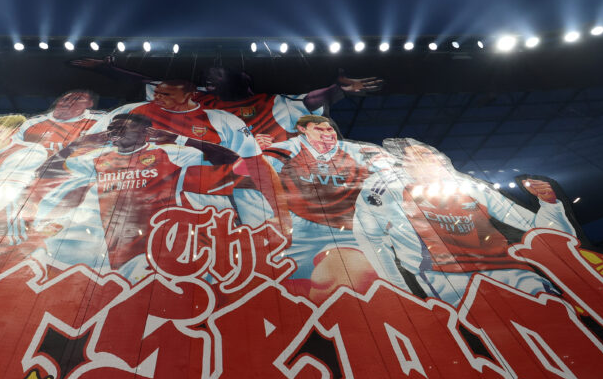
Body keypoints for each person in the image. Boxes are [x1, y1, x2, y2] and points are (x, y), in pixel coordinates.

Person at [354, 137, 575, 306]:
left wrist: (549, 205)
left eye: (431, 154)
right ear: (404, 165)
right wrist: (399, 290)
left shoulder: (471, 188)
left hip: (512, 271)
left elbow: (538, 230)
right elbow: (373, 240)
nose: (433, 159)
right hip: (448, 280)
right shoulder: (384, 194)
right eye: (419, 156)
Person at [32, 113, 251, 281]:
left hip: (170, 247)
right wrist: (76, 145)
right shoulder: (96, 160)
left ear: (145, 131)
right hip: (121, 253)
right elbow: (44, 172)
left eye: (122, 127)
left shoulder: (168, 152)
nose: (114, 131)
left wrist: (180, 139)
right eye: (111, 128)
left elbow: (231, 159)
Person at [71, 57, 383, 148]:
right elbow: (144, 83)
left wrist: (336, 88)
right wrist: (106, 68)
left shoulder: (272, 102)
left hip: (260, 174)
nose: (211, 79)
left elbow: (315, 98)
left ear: (243, 80)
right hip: (208, 171)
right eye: (210, 76)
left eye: (219, 75)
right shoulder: (197, 99)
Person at [92, 79, 283, 228]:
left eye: (166, 94)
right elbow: (92, 144)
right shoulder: (130, 112)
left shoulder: (223, 120)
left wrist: (281, 216)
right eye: (156, 93)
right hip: (145, 202)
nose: (158, 98)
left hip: (207, 201)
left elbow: (253, 164)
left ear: (190, 95)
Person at [262, 115, 392, 303]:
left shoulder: (354, 150)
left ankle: (331, 324)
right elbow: (250, 167)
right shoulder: (289, 147)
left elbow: (388, 169)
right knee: (271, 283)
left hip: (345, 229)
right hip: (297, 225)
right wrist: (255, 149)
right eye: (319, 129)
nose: (326, 133)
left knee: (349, 279)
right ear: (302, 129)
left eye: (329, 129)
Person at [17, 89, 105, 153]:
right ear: (58, 102)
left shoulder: (102, 121)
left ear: (90, 104)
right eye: (65, 99)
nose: (69, 103)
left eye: (77, 99)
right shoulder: (32, 123)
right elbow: (14, 151)